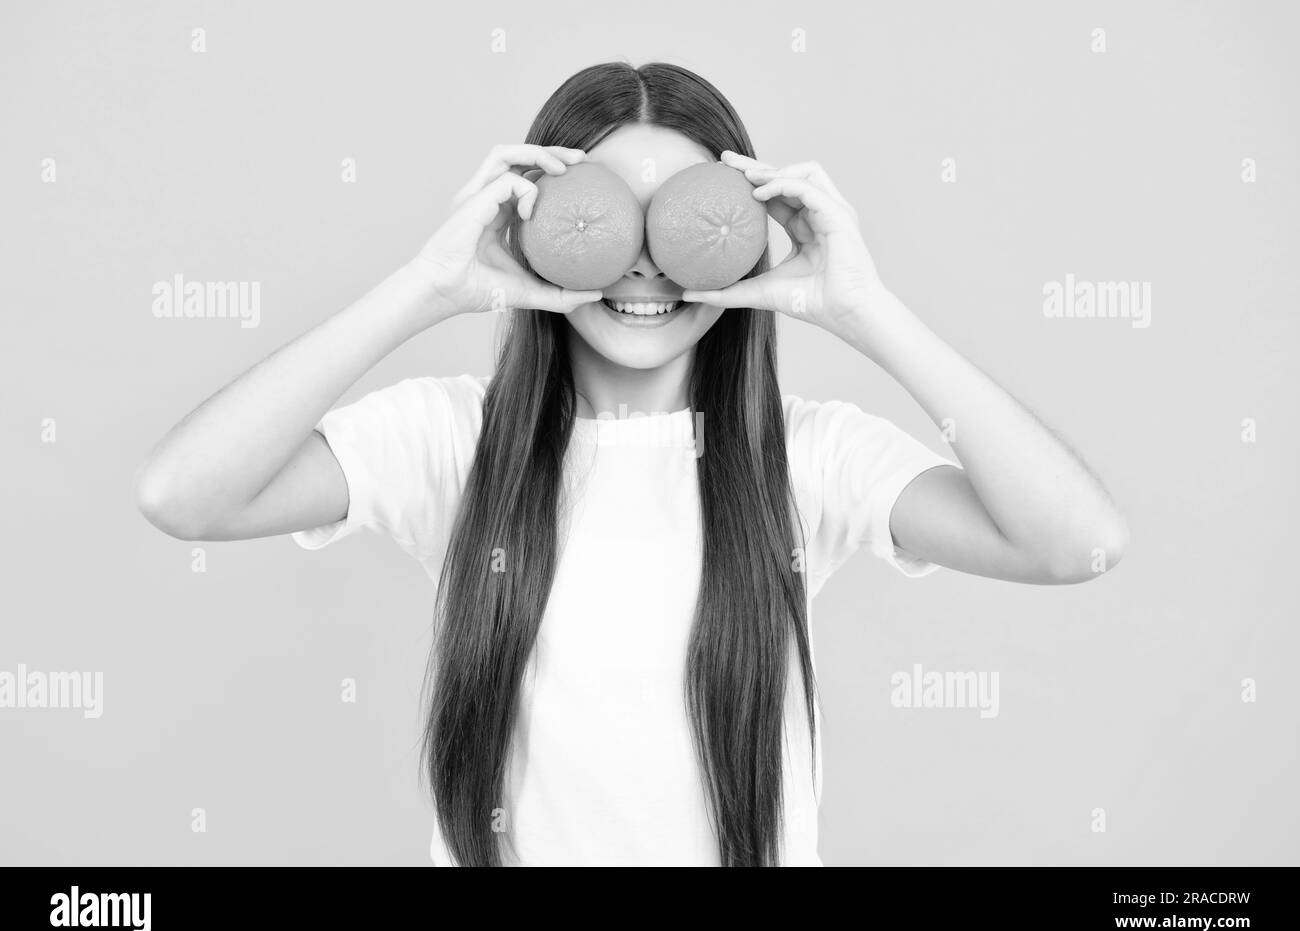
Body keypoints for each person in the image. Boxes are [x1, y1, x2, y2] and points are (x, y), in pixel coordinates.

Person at [135, 62, 1128, 866]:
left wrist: (865, 309)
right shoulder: (451, 441)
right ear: (536, 220)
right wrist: (422, 287)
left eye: (683, 217)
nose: (646, 261)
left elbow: (1075, 542)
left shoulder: (805, 457)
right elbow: (183, 495)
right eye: (606, 213)